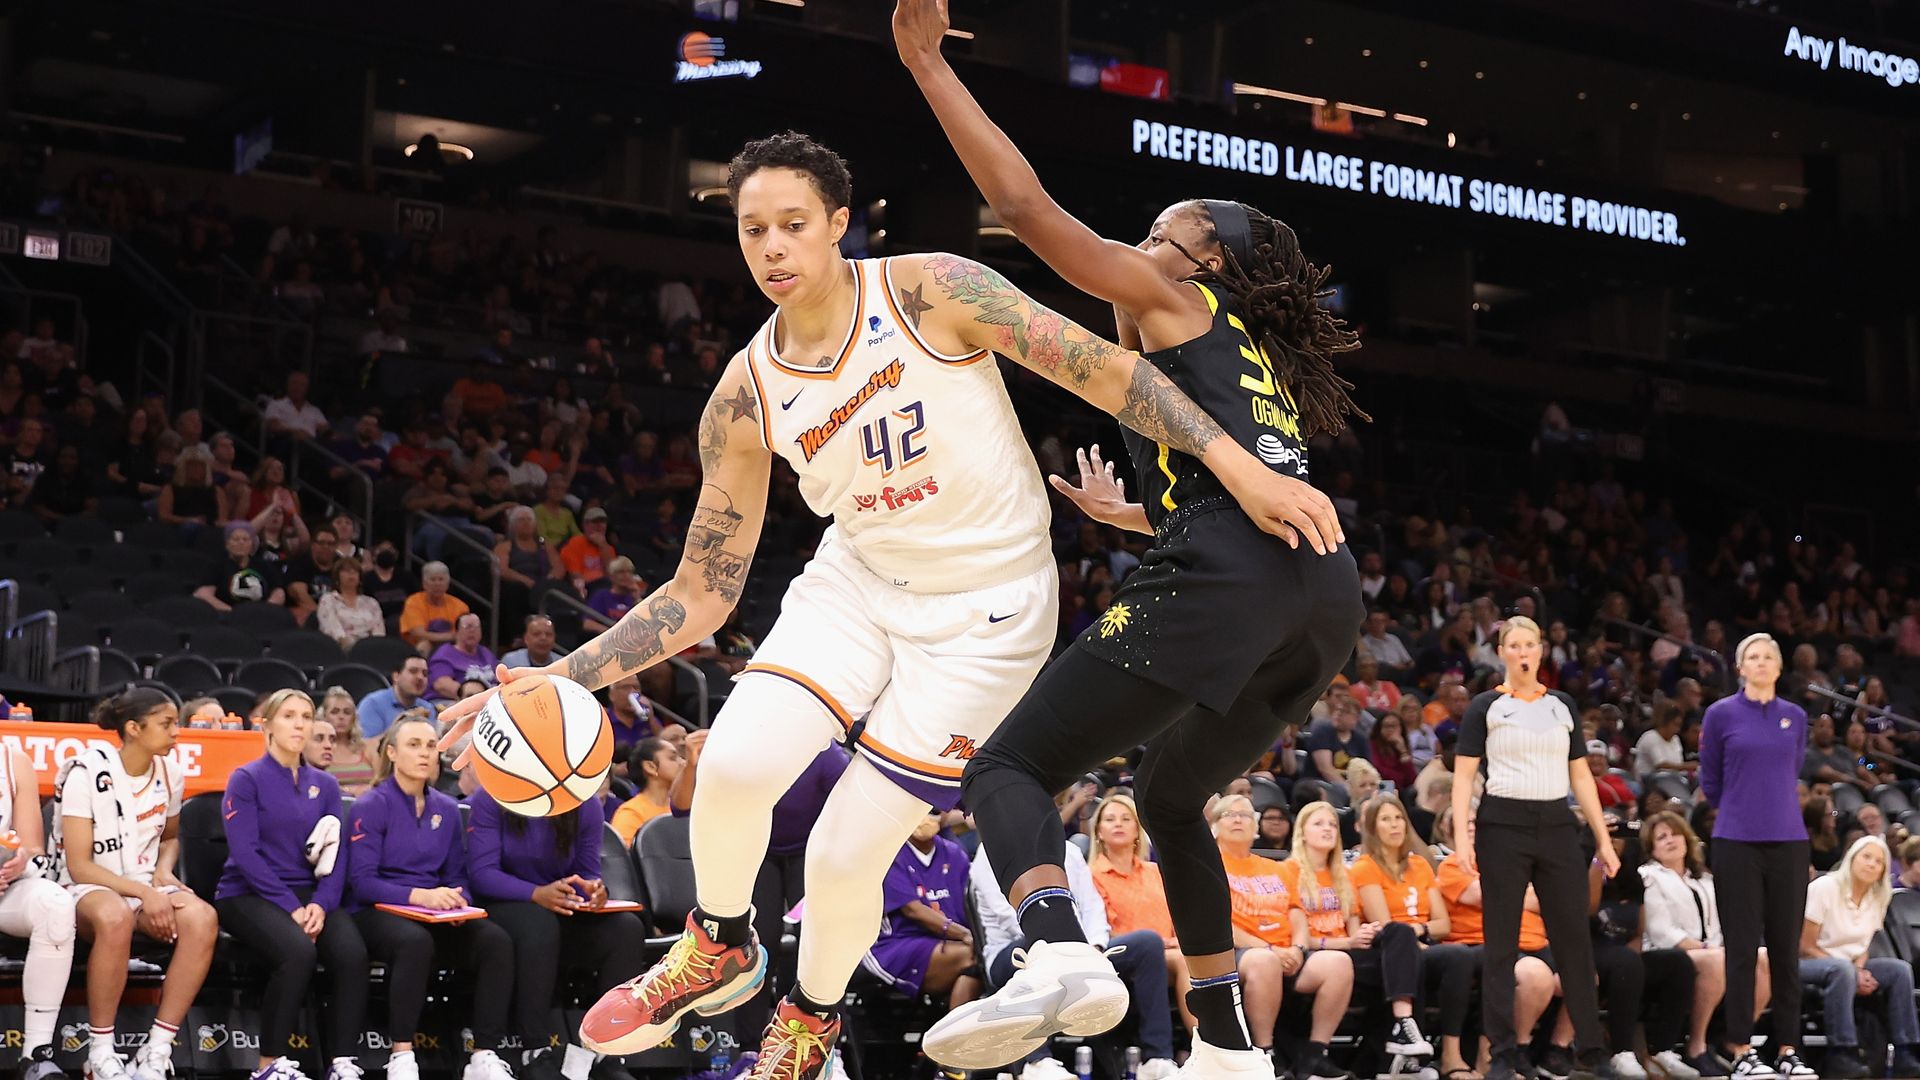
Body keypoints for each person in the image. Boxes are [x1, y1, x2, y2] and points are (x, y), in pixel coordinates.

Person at [438, 125, 1315, 1079]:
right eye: (752, 229)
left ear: (838, 225)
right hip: (856, 581)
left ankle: (808, 1019)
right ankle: (721, 943)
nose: (772, 247)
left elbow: (1111, 373)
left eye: (793, 224)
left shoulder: (931, 287)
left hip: (989, 613)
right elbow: (700, 590)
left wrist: (1242, 467)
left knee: (847, 852)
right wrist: (544, 682)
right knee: (729, 763)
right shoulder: (743, 395)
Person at [897, 12, 1362, 1070]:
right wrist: (1147, 515)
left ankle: (1059, 955)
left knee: (1008, 764)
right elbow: (1247, 485)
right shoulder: (1252, 355)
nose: (1141, 245)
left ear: (1203, 258)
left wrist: (926, 62)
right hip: (1323, 597)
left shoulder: (1175, 296)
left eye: (1159, 230)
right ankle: (1232, 1049)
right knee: (1167, 796)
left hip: (1233, 575)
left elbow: (1020, 208)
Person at [1450, 616, 1620, 1080]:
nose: (1523, 652)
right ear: (1503, 652)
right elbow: (1464, 776)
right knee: (1501, 943)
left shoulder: (1562, 705)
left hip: (1557, 822)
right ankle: (1502, 1051)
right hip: (1502, 822)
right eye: (1515, 644)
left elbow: (1581, 775)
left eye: (1531, 644)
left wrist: (1603, 840)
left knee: (1573, 940)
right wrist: (1463, 840)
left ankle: (1590, 1048)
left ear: (1541, 651)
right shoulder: (1485, 706)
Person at [54, 689, 218, 1080]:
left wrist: (163, 872)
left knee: (203, 918)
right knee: (114, 918)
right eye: (167, 724)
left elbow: (170, 837)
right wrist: (144, 894)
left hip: (143, 884)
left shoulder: (170, 773)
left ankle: (155, 1051)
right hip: (84, 886)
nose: (177, 732)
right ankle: (99, 1052)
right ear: (133, 728)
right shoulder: (86, 772)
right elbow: (79, 866)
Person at [347, 716, 516, 1080]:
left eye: (430, 746)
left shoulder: (446, 808)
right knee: (413, 942)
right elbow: (362, 882)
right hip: (376, 910)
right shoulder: (369, 805)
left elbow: (457, 875)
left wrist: (459, 901)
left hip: (433, 910)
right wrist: (421, 896)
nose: (425, 753)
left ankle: (484, 1055)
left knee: (495, 941)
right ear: (391, 753)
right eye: (414, 745)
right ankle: (402, 1055)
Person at [213, 689, 369, 1080]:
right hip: (246, 893)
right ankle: (269, 1066)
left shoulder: (326, 786)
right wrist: (292, 907)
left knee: (352, 954)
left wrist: (321, 903)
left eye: (305, 716)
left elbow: (336, 854)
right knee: (298, 953)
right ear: (267, 725)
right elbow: (246, 854)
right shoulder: (245, 779)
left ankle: (343, 1063)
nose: (299, 724)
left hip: (308, 895)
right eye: (288, 716)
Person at [466, 786, 644, 1080]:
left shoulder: (585, 804)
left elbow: (587, 872)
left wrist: (594, 890)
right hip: (500, 904)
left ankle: (604, 1051)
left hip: (554, 906)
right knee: (540, 923)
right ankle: (534, 1050)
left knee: (626, 929)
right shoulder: (492, 796)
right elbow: (482, 874)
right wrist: (535, 893)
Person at [970, 831, 1179, 1080]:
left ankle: (1156, 1058)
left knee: (1147, 943)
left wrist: (1096, 947)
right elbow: (1008, 916)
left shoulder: (1069, 851)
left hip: (1079, 951)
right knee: (1034, 944)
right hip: (1013, 953)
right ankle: (1037, 1063)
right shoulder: (990, 851)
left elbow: (1091, 906)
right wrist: (1064, 945)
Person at [1700, 634, 1816, 1080]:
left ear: (1779, 668)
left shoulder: (1796, 717)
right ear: (1740, 666)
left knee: (1787, 951)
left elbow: (1792, 770)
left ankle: (1788, 1049)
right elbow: (1710, 781)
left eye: (1769, 657)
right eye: (1753, 656)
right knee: (1743, 950)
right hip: (1736, 842)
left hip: (1789, 841)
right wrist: (1741, 809)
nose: (1762, 662)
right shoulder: (1720, 714)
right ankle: (1741, 1048)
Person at [1211, 795, 1353, 1080]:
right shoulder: (1209, 868)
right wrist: (1271, 949)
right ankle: (1265, 1054)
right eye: (1229, 814)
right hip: (1241, 952)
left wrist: (1299, 948)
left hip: (1287, 951)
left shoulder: (1274, 867)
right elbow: (1217, 924)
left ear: (1256, 828)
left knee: (1339, 963)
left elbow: (1296, 913)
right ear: (1214, 827)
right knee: (1264, 962)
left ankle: (1314, 1057)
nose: (1238, 819)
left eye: (1246, 815)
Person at [1287, 801, 1433, 1069]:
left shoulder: (1343, 875)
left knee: (1400, 940)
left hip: (1347, 954)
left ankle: (1403, 1036)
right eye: (1318, 824)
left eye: (1332, 824)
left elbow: (1354, 932)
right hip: (1310, 956)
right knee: (1401, 960)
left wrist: (1365, 933)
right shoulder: (1288, 871)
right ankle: (1395, 1045)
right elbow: (1296, 936)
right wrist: (1348, 942)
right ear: (1301, 833)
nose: (1328, 829)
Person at [1350, 794, 1481, 1080]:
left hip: (1420, 943)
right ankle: (1406, 1052)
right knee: (1428, 949)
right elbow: (1384, 925)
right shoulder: (1365, 868)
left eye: (1399, 818)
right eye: (1386, 819)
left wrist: (1418, 931)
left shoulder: (1420, 865)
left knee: (1465, 956)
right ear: (1373, 828)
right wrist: (1412, 937)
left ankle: (1454, 1054)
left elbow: (1443, 924)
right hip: (1382, 951)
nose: (1395, 825)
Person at [1640, 810, 1762, 1078]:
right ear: (1652, 847)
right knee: (1717, 959)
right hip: (1666, 954)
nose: (1671, 840)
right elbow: (1662, 932)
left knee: (1762, 958)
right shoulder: (1649, 876)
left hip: (1709, 950)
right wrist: (1709, 949)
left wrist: (1715, 947)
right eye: (1662, 837)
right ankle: (1696, 1045)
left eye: (1675, 834)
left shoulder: (1704, 878)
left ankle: (1733, 1041)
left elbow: (1717, 926)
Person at [1800, 836, 1920, 1079]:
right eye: (1867, 857)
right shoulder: (1825, 887)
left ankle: (1905, 1053)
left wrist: (1860, 970)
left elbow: (1862, 946)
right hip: (1809, 962)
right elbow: (1804, 945)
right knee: (1841, 970)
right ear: (1852, 858)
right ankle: (1841, 1053)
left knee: (1899, 970)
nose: (1871, 864)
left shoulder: (1877, 897)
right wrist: (1852, 972)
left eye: (1879, 862)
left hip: (1849, 965)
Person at [1088, 793, 1197, 1035]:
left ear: (1138, 831)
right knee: (1183, 961)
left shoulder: (1155, 871)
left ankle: (1234, 1040)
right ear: (1098, 832)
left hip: (1169, 948)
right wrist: (1164, 944)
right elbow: (1099, 928)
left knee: (1205, 957)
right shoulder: (1090, 875)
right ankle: (1205, 1043)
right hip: (1123, 952)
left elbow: (1177, 917)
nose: (1118, 823)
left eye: (1126, 819)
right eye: (1110, 819)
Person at [0, 734, 76, 1080]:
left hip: (4, 888)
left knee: (55, 904)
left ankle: (36, 1055)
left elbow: (32, 847)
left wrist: (17, 862)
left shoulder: (13, 760)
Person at [863, 815, 981, 1010]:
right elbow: (913, 910)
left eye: (933, 810)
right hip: (896, 943)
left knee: (980, 961)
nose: (926, 817)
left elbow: (972, 903)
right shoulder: (889, 853)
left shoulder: (954, 853)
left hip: (951, 942)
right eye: (919, 811)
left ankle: (956, 1036)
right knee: (973, 956)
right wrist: (966, 935)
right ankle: (953, 1038)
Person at [607, 737, 683, 846]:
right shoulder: (631, 813)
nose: (682, 763)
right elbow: (624, 860)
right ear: (650, 767)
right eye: (672, 758)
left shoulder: (684, 807)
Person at [196, 522, 286, 610]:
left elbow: (278, 592)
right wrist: (232, 612)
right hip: (227, 617)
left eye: (245, 539)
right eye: (236, 539)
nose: (241, 542)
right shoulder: (216, 565)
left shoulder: (264, 565)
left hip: (260, 616)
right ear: (227, 544)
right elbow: (203, 594)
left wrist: (265, 609)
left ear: (252, 544)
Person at [317, 687, 376, 794]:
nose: (341, 717)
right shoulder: (316, 749)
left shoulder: (368, 748)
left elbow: (382, 782)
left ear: (354, 718)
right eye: (334, 712)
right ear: (324, 716)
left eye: (347, 712)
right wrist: (349, 791)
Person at [317, 558, 386, 650]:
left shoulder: (371, 602)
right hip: (339, 649)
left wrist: (375, 647)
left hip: (370, 649)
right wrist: (349, 645)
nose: (351, 573)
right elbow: (332, 629)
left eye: (355, 571)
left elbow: (379, 632)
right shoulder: (328, 600)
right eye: (346, 571)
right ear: (337, 577)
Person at [357, 656, 431, 740]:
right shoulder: (372, 704)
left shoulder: (428, 708)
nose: (420, 677)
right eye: (413, 671)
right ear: (396, 676)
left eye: (425, 674)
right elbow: (365, 747)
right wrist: (401, 724)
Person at [399, 562, 468, 652]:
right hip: (419, 646)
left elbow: (463, 635)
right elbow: (418, 634)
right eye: (432, 580)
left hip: (452, 646)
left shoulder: (460, 606)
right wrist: (450, 636)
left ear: (447, 584)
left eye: (441, 579)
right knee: (424, 645)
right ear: (424, 584)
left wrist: (454, 637)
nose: (437, 584)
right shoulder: (413, 602)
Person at [499, 615, 567, 671]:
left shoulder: (563, 664)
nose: (543, 638)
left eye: (548, 634)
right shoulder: (511, 661)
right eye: (536, 634)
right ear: (526, 638)